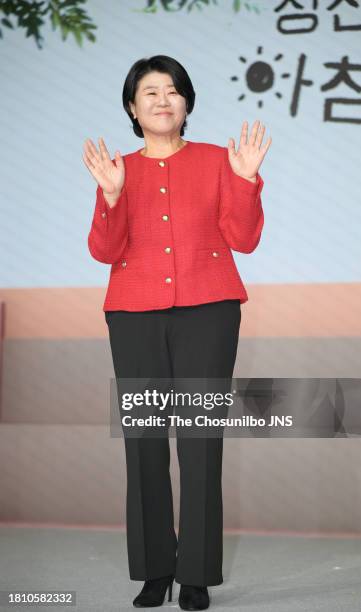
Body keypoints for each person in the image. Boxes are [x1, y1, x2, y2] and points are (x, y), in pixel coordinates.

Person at [83, 55, 271, 610]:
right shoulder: (117, 168)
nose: (162, 100)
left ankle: (194, 575)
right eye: (149, 93)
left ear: (187, 104)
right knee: (143, 442)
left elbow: (244, 238)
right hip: (134, 313)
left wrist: (245, 179)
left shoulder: (220, 160)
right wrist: (113, 197)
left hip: (208, 312)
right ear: (132, 109)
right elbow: (105, 251)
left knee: (199, 443)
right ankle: (154, 570)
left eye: (172, 91)